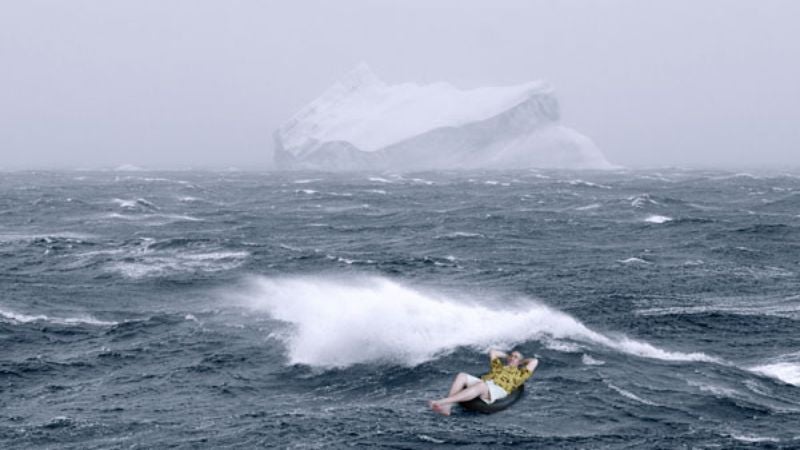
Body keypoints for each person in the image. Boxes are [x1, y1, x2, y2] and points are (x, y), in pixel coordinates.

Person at [429, 349, 538, 416]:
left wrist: (519, 362)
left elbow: (534, 361)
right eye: (511, 356)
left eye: (515, 357)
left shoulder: (521, 373)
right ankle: (447, 408)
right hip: (486, 382)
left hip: (498, 389)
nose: (512, 358)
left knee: (481, 385)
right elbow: (493, 352)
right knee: (462, 375)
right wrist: (509, 357)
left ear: (519, 362)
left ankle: (443, 402)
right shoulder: (498, 367)